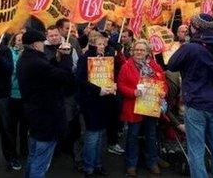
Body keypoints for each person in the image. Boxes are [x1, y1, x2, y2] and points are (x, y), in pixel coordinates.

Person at [168, 13, 213, 178]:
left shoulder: (189, 48)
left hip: (196, 104)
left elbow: (172, 64)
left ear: (195, 27)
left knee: (196, 150)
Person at [17, 30, 75, 178]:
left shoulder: (26, 59)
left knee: (34, 156)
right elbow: (64, 77)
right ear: (36, 44)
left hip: (35, 115)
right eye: (42, 42)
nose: (44, 44)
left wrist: (57, 58)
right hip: (46, 118)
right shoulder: (36, 62)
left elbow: (48, 72)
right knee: (41, 163)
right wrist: (67, 57)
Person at [118, 39, 167, 176]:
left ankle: (152, 162)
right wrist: (133, 92)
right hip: (133, 106)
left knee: (151, 135)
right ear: (133, 51)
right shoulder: (126, 66)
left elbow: (163, 83)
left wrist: (163, 92)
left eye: (142, 50)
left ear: (147, 52)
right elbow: (121, 86)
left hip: (150, 107)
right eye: (137, 50)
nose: (139, 52)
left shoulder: (155, 66)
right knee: (132, 136)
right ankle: (131, 164)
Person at [76, 32, 116, 177]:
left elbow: (110, 76)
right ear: (92, 43)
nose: (102, 46)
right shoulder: (85, 58)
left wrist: (113, 86)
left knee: (101, 134)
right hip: (90, 102)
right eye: (99, 43)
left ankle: (98, 164)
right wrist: (99, 90)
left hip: (104, 102)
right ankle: (89, 167)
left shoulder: (107, 58)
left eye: (104, 43)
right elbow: (80, 80)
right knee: (92, 134)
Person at [44, 25, 82, 169]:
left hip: (68, 91)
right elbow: (47, 67)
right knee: (53, 121)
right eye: (51, 35)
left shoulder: (69, 46)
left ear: (60, 35)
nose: (54, 38)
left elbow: (76, 66)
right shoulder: (44, 49)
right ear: (47, 36)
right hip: (52, 92)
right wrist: (58, 57)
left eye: (56, 35)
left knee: (70, 120)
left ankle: (71, 149)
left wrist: (67, 57)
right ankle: (54, 150)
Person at [0, 37, 22, 171]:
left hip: (2, 96)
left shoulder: (4, 49)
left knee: (6, 129)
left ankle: (12, 158)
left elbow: (9, 69)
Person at [8, 33, 29, 159]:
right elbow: (14, 70)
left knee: (24, 127)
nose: (21, 42)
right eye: (19, 40)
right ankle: (12, 154)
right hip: (12, 94)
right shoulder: (10, 53)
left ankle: (24, 151)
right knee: (12, 127)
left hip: (25, 95)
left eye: (23, 40)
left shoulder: (28, 53)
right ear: (14, 41)